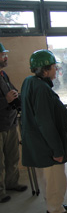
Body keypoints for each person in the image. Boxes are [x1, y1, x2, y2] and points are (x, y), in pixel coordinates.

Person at [20, 49, 67, 213]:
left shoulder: (29, 82)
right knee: (55, 181)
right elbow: (45, 122)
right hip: (46, 147)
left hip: (37, 144)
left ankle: (54, 207)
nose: (56, 70)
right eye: (53, 67)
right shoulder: (41, 89)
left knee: (46, 180)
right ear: (44, 70)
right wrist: (57, 150)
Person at [0, 42, 27, 203]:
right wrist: (6, 101)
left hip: (10, 123)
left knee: (12, 157)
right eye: (2, 55)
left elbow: (12, 93)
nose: (5, 57)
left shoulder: (3, 75)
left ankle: (11, 182)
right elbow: (7, 99)